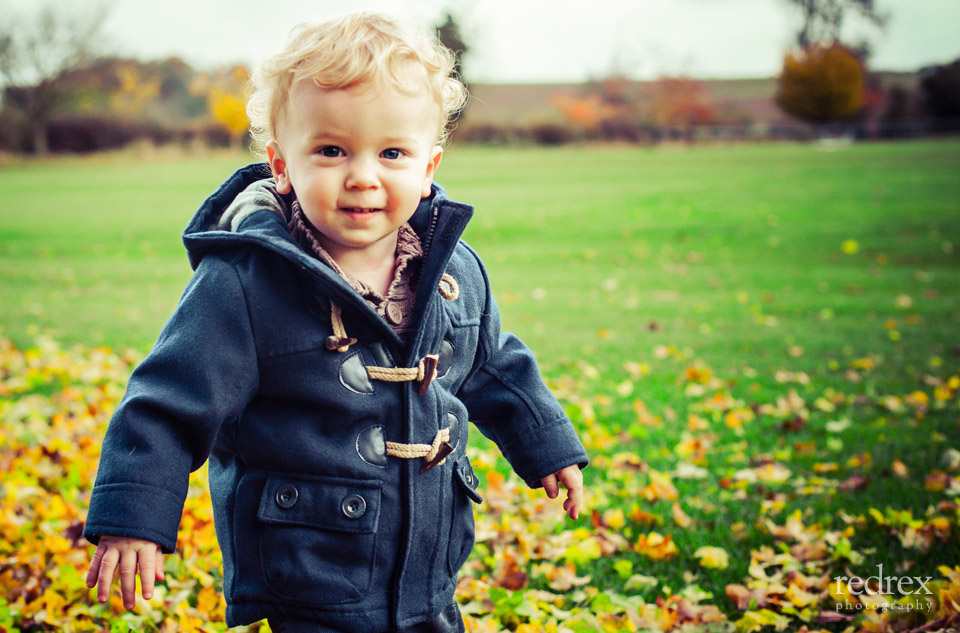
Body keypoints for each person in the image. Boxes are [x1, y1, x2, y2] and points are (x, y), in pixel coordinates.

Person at [83, 11, 588, 633]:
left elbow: (490, 363)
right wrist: (133, 516)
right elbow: (166, 403)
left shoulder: (453, 270)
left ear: (428, 167)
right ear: (281, 164)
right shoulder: (247, 281)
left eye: (392, 152)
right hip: (310, 563)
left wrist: (546, 444)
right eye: (331, 150)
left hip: (428, 561)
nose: (363, 176)